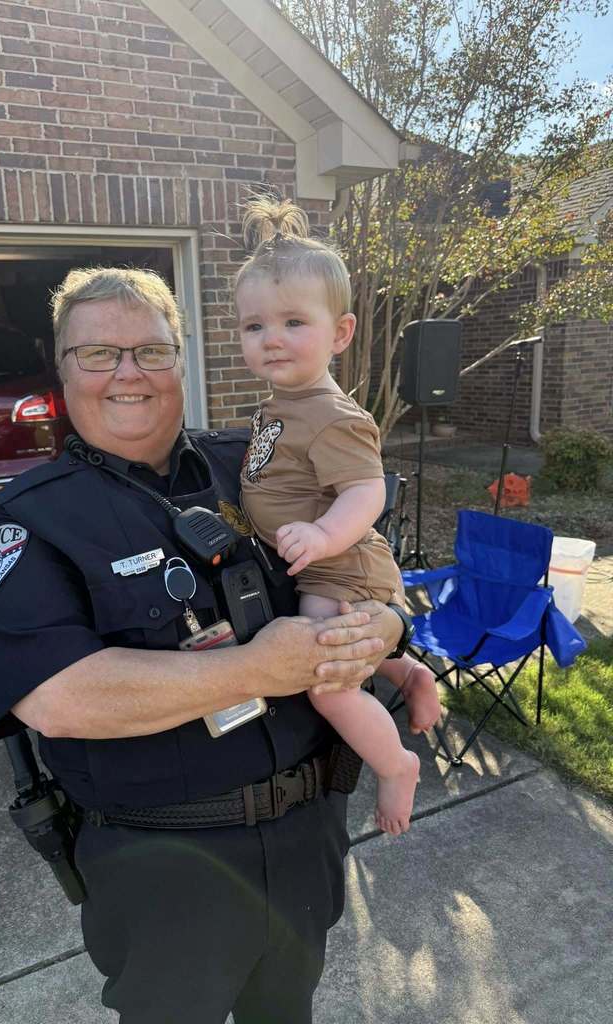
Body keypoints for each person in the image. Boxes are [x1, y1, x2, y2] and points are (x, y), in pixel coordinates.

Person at [0, 266, 409, 1024]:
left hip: (307, 834)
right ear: (63, 369)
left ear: (182, 359)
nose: (127, 374)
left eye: (151, 350)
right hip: (165, 866)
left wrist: (393, 631)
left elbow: (358, 549)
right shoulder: (32, 518)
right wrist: (254, 669)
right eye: (98, 354)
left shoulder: (255, 461)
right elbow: (58, 699)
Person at [236, 197, 442, 835]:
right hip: (322, 566)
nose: (272, 338)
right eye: (253, 327)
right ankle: (408, 671)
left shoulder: (334, 414)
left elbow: (366, 492)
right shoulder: (282, 405)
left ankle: (395, 765)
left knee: (326, 679)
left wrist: (324, 534)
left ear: (341, 333)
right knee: (348, 650)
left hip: (342, 566)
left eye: (294, 322)